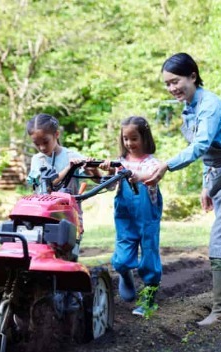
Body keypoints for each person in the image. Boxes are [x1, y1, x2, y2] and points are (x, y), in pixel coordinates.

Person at [144, 53, 221, 326]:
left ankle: (220, 310)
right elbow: (208, 154)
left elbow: (200, 146)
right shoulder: (189, 107)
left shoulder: (209, 105)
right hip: (219, 174)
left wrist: (166, 166)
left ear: (193, 76)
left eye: (176, 82)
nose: (172, 88)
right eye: (167, 84)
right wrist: (206, 186)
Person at [100, 116, 163, 317]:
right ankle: (125, 275)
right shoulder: (120, 163)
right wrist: (104, 171)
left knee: (149, 256)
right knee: (121, 258)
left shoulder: (153, 163)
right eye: (125, 139)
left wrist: (136, 176)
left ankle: (149, 299)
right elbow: (108, 186)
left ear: (145, 137)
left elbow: (150, 176)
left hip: (147, 217)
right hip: (125, 216)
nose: (129, 143)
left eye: (134, 138)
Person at [26, 113, 101, 260]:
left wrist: (92, 169)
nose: (41, 147)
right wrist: (69, 167)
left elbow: (98, 180)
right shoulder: (38, 160)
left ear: (56, 135)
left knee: (69, 253)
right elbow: (48, 184)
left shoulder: (72, 155)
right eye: (36, 143)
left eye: (45, 142)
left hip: (70, 214)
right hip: (44, 214)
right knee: (43, 252)